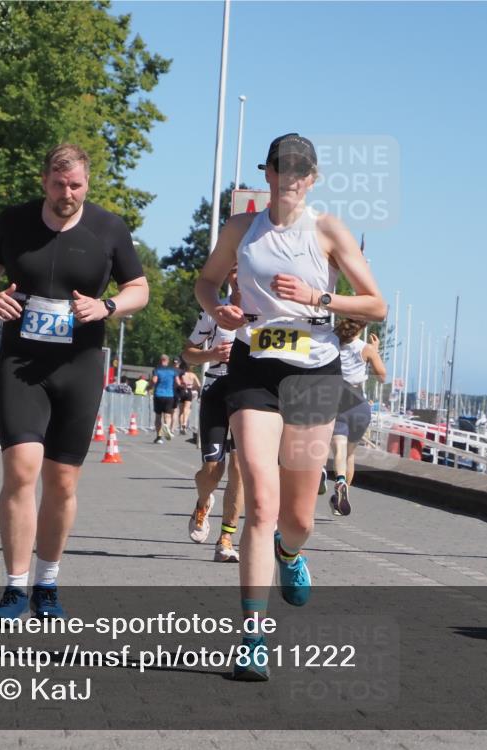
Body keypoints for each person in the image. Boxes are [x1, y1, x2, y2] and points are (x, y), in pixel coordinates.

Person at [194, 133, 386, 680]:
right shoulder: (241, 229)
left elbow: (376, 303)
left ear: (313, 179)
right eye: (285, 168)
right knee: (259, 496)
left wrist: (319, 298)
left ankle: (290, 553)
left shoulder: (327, 231)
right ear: (270, 174)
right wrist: (223, 309)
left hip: (313, 374)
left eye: (303, 170)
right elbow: (206, 284)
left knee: (297, 518)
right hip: (253, 369)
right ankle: (252, 636)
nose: (293, 178)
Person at [0, 143, 149, 623]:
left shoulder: (109, 229)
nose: (66, 193)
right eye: (58, 183)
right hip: (21, 363)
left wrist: (106, 307)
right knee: (21, 471)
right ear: (44, 180)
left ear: (87, 185)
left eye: (75, 185)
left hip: (80, 366)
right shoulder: (14, 221)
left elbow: (140, 289)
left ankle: (46, 584)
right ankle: (13, 587)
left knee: (62, 481)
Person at [182, 266, 244, 562]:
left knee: (240, 469)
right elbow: (187, 353)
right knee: (212, 470)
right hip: (217, 389)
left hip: (251, 394)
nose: (240, 277)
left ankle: (226, 539)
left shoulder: (271, 313)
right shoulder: (215, 312)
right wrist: (210, 355)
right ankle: (204, 500)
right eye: (234, 272)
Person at [327, 322, 386, 516]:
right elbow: (382, 377)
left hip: (337, 402)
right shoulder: (366, 349)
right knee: (350, 455)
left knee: (338, 453)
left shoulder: (332, 344)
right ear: (361, 328)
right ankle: (342, 499)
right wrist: (374, 352)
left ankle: (339, 480)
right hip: (359, 404)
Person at [151, 354, 177, 443]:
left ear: (160, 360)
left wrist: (149, 386)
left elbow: (154, 380)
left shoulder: (157, 369)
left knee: (158, 416)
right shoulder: (172, 370)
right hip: (169, 395)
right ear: (168, 360)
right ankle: (166, 426)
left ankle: (159, 437)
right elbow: (178, 381)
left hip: (158, 394)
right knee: (168, 415)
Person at [175, 360, 201, 435]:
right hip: (189, 391)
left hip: (181, 391)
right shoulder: (193, 375)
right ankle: (185, 423)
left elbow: (177, 382)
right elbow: (199, 385)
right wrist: (196, 390)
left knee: (181, 410)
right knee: (187, 409)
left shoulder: (182, 374)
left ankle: (180, 427)